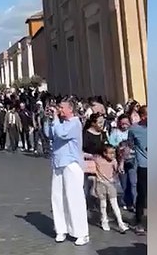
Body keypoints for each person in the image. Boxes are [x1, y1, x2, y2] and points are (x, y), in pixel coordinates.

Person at [44, 100, 90, 245]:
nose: (59, 110)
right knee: (57, 198)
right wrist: (48, 119)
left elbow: (62, 135)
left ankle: (81, 232)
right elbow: (49, 134)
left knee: (74, 198)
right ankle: (61, 229)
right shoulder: (59, 122)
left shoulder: (75, 123)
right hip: (58, 163)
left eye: (61, 108)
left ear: (70, 109)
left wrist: (56, 119)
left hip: (71, 163)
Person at [94, 144, 129, 233]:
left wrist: (121, 164)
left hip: (110, 184)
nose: (112, 155)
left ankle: (121, 223)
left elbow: (117, 170)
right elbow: (88, 158)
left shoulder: (113, 161)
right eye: (110, 153)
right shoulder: (98, 159)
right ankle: (104, 221)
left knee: (114, 204)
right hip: (100, 184)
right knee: (103, 204)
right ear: (104, 153)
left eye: (113, 153)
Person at [127, 105, 149, 234]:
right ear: (143, 116)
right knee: (143, 194)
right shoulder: (134, 129)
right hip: (144, 165)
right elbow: (130, 144)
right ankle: (139, 221)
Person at [110, 115, 137, 211]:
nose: (124, 126)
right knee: (124, 183)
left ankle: (135, 202)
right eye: (122, 123)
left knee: (133, 182)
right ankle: (128, 202)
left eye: (126, 123)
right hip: (120, 160)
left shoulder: (133, 131)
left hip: (132, 160)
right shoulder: (115, 133)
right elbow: (111, 146)